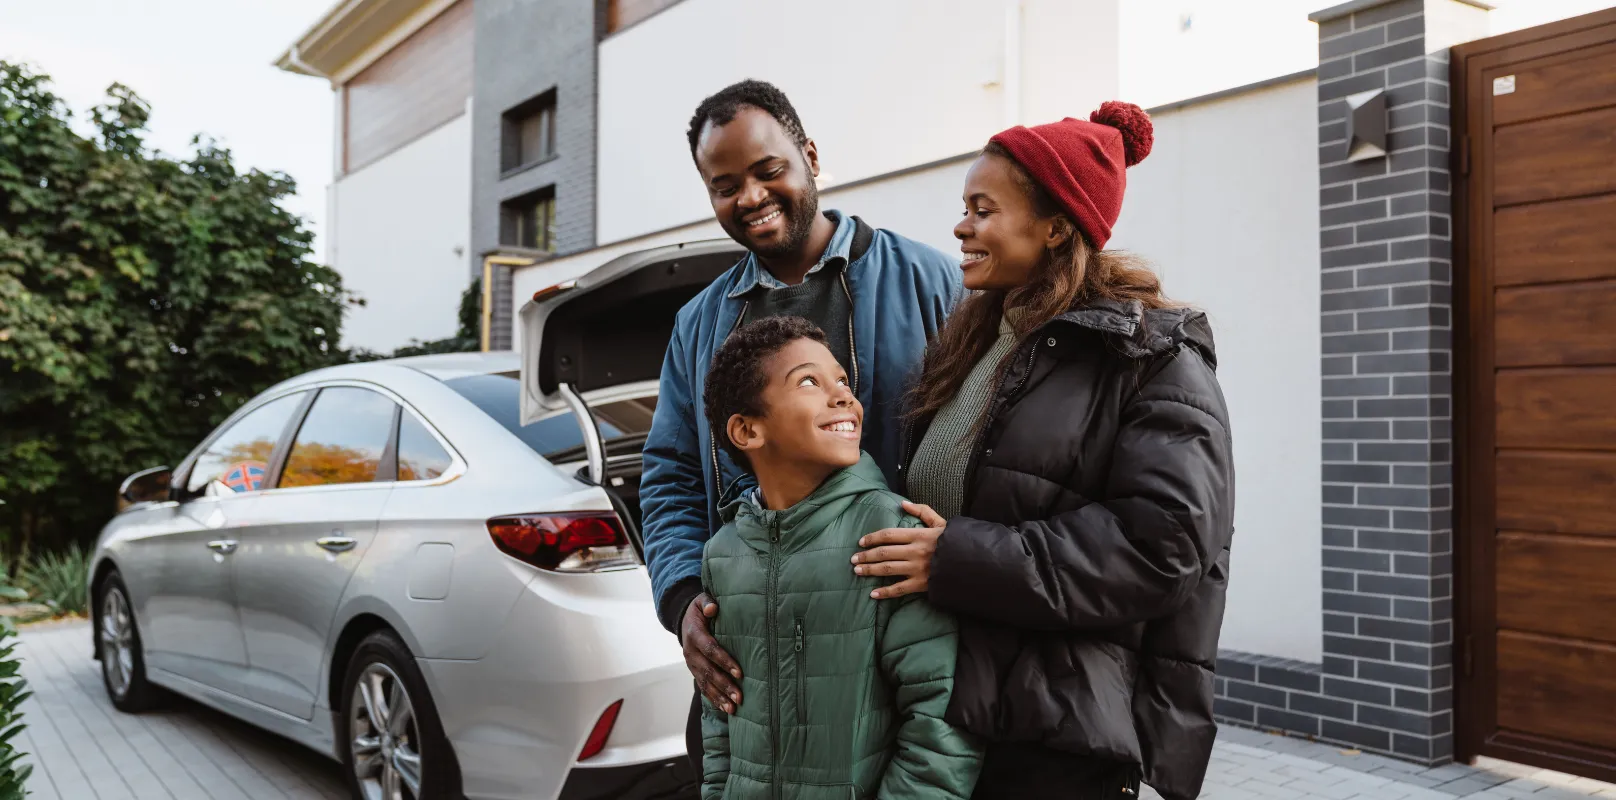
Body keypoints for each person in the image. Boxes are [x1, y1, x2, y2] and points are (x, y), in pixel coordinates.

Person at [850, 103, 1236, 800]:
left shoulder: (1152, 359)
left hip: (1053, 733)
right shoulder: (973, 344)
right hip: (948, 711)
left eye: (982, 208)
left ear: (1057, 228)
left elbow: (1165, 546)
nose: (962, 227)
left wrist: (956, 558)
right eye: (964, 208)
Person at [639, 79, 962, 768]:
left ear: (809, 155)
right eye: (724, 185)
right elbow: (669, 472)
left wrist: (962, 555)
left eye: (767, 170)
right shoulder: (698, 325)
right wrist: (681, 597)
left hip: (896, 635)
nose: (749, 197)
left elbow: (990, 444)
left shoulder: (930, 282)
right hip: (758, 650)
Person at [695, 316, 981, 799]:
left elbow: (940, 723)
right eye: (809, 381)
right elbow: (718, 719)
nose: (844, 396)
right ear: (747, 431)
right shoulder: (724, 553)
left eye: (843, 381)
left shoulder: (894, 536)